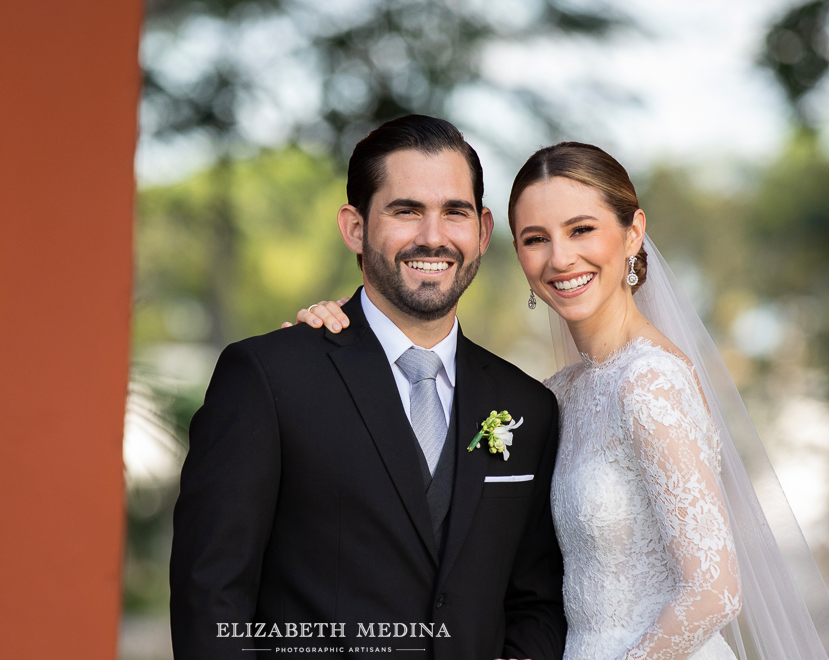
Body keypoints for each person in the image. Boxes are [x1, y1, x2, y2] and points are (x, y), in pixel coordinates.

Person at [300, 141, 829, 659]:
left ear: (633, 234)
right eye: (535, 238)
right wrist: (332, 345)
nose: (560, 257)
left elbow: (715, 592)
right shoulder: (554, 396)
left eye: (581, 230)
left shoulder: (650, 383)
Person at [169, 115, 568, 659]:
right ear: (355, 227)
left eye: (455, 212)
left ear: (481, 229)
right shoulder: (268, 379)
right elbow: (210, 595)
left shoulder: (528, 407)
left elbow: (538, 603)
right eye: (406, 211)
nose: (434, 236)